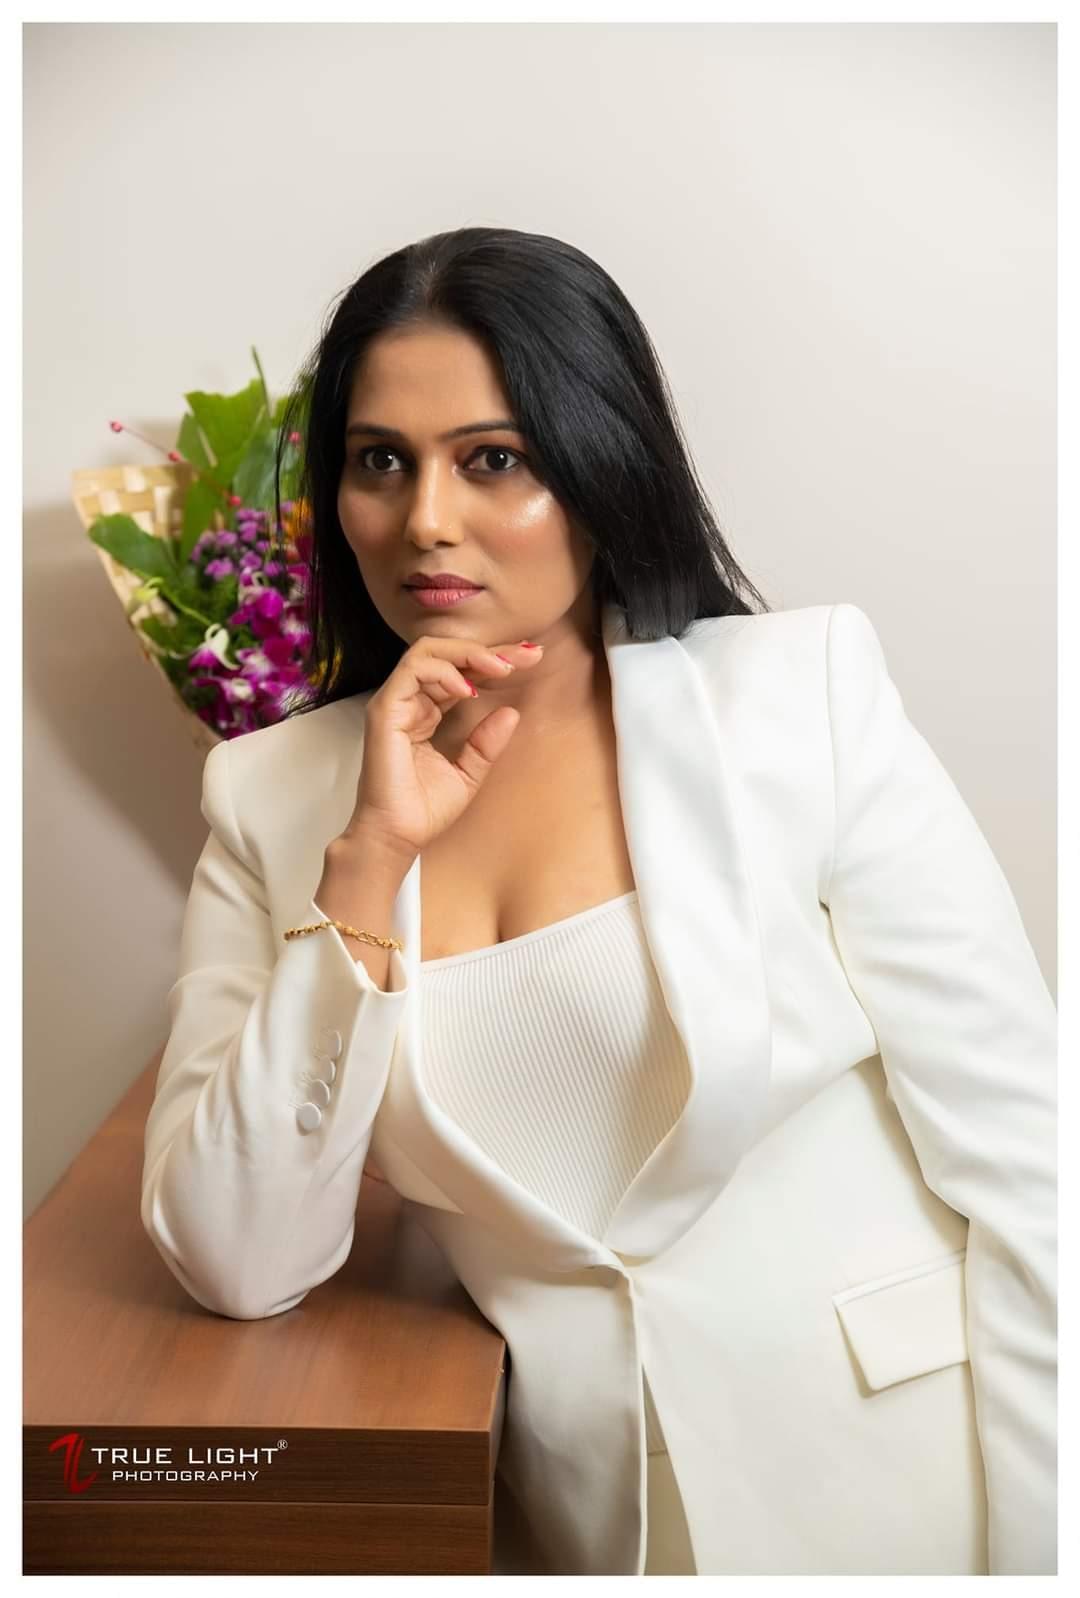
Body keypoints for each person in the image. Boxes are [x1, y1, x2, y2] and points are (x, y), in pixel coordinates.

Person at [141, 227, 1057, 1576]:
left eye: (492, 459)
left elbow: (1033, 1163)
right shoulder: (268, 799)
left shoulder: (798, 697)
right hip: (595, 1523)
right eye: (380, 460)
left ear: (599, 462)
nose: (425, 518)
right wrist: (366, 868)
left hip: (925, 1476)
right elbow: (235, 1259)